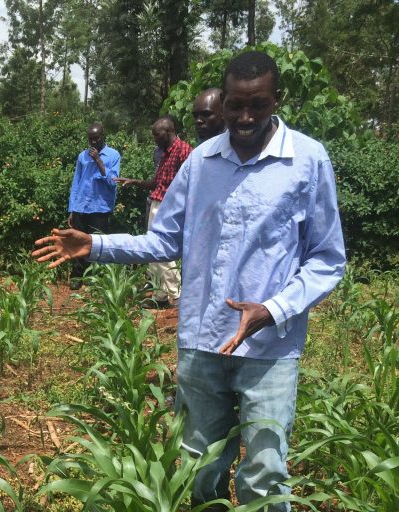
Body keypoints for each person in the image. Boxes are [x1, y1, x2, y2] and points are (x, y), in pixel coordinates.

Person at [32, 50, 346, 511]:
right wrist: (95, 246)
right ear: (223, 105)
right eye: (235, 105)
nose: (244, 116)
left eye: (257, 105)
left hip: (270, 350)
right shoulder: (200, 163)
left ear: (276, 99)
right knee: (200, 470)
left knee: (264, 474)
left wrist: (273, 309)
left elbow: (327, 258)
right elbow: (163, 241)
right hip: (202, 342)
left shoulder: (307, 161)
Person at [115, 115, 192, 308]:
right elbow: (157, 183)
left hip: (171, 205)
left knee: (163, 249)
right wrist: (135, 182)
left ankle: (176, 295)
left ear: (168, 132)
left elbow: (191, 183)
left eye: (157, 136)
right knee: (152, 249)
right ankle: (160, 295)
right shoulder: (163, 152)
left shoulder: (184, 151)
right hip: (157, 202)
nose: (154, 140)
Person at [67, 122, 120, 289]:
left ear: (103, 136)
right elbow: (76, 182)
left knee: (99, 244)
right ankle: (77, 276)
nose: (93, 143)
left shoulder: (113, 155)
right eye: (90, 140)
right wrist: (72, 208)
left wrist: (98, 160)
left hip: (100, 207)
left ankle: (96, 279)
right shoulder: (82, 156)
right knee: (77, 242)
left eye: (96, 139)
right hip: (81, 206)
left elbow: (113, 181)